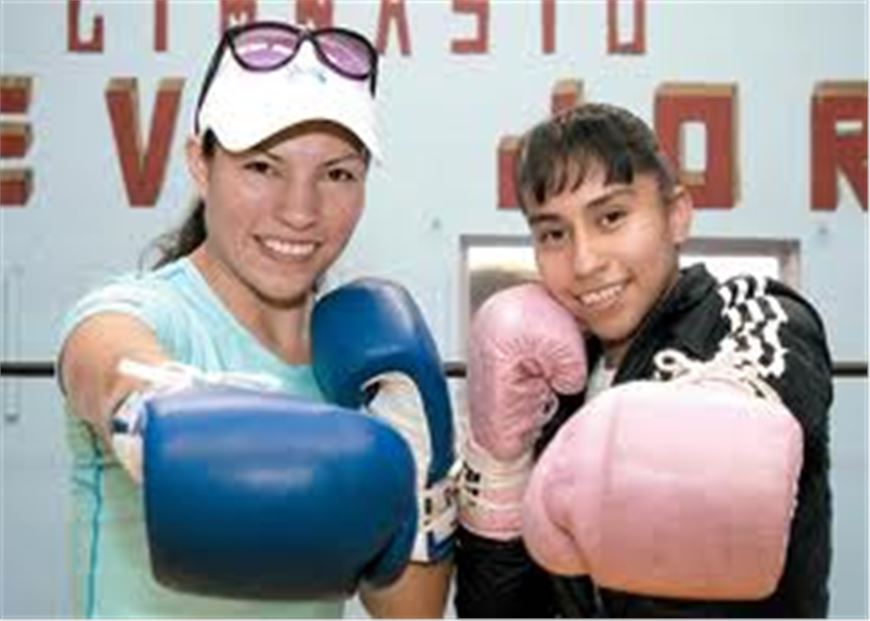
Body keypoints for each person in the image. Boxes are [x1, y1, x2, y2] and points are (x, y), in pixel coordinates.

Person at [57, 19, 453, 618]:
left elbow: (411, 613)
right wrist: (154, 405)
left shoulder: (359, 369)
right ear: (200, 162)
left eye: (337, 173)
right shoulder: (152, 315)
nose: (300, 210)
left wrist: (423, 471)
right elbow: (104, 361)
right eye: (262, 168)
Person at [455, 102, 832, 617]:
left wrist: (699, 420)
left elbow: (775, 373)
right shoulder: (550, 386)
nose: (585, 262)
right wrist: (498, 468)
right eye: (553, 234)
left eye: (611, 217)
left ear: (676, 215)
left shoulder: (748, 316)